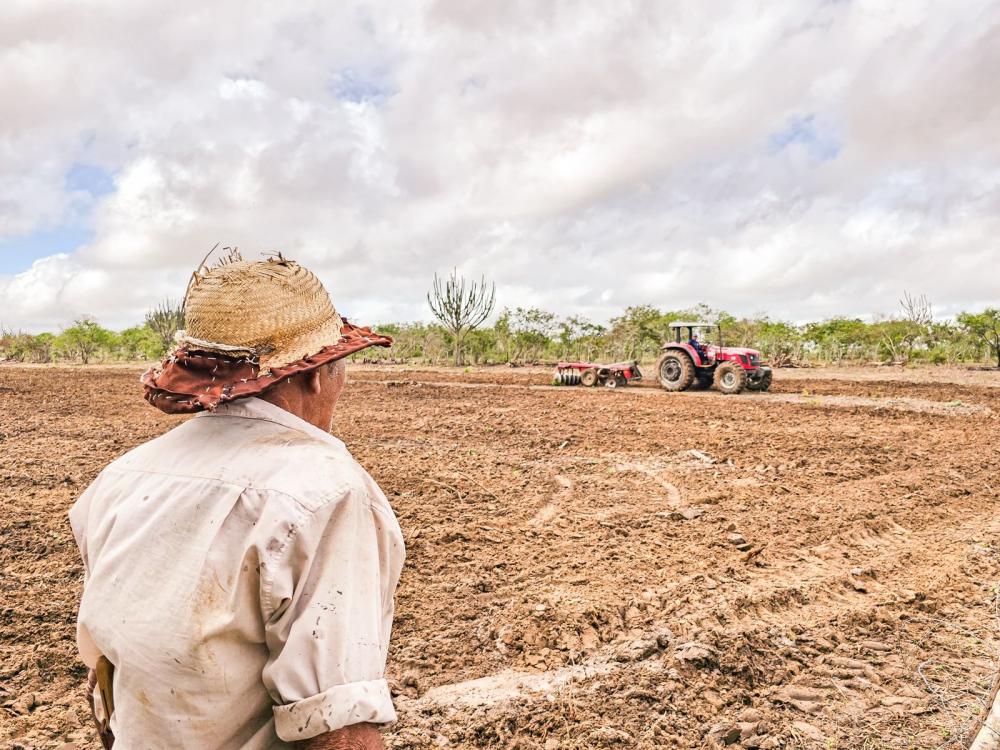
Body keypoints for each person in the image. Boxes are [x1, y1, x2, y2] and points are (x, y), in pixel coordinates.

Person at [69, 253, 403, 750]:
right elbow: (340, 725)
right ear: (315, 373)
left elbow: (108, 675)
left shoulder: (123, 476)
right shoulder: (325, 490)